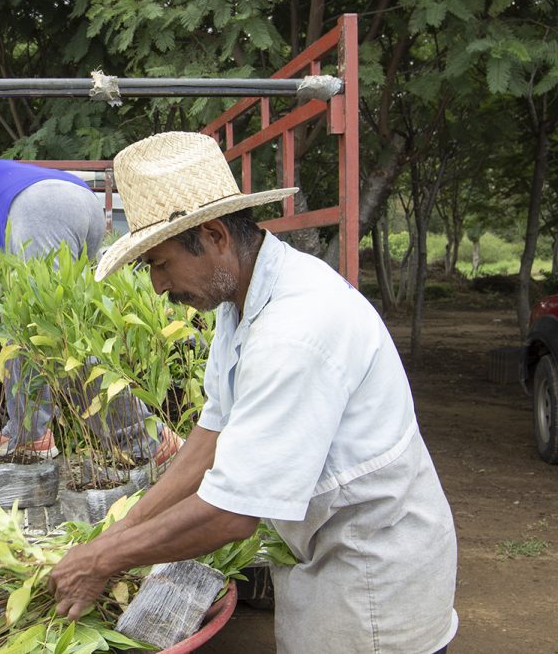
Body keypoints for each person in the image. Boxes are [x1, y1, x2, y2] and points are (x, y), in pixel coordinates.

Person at [47, 132, 458, 653]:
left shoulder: (295, 331)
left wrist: (103, 561)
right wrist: (119, 532)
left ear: (215, 235)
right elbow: (212, 435)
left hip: (372, 569)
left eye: (160, 263)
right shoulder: (239, 303)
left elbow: (231, 512)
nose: (156, 286)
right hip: (326, 550)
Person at [0, 130, 181, 465]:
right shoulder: (5, 172)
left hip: (41, 211)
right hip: (82, 200)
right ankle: (27, 432)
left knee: (55, 334)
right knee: (40, 321)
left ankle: (146, 438)